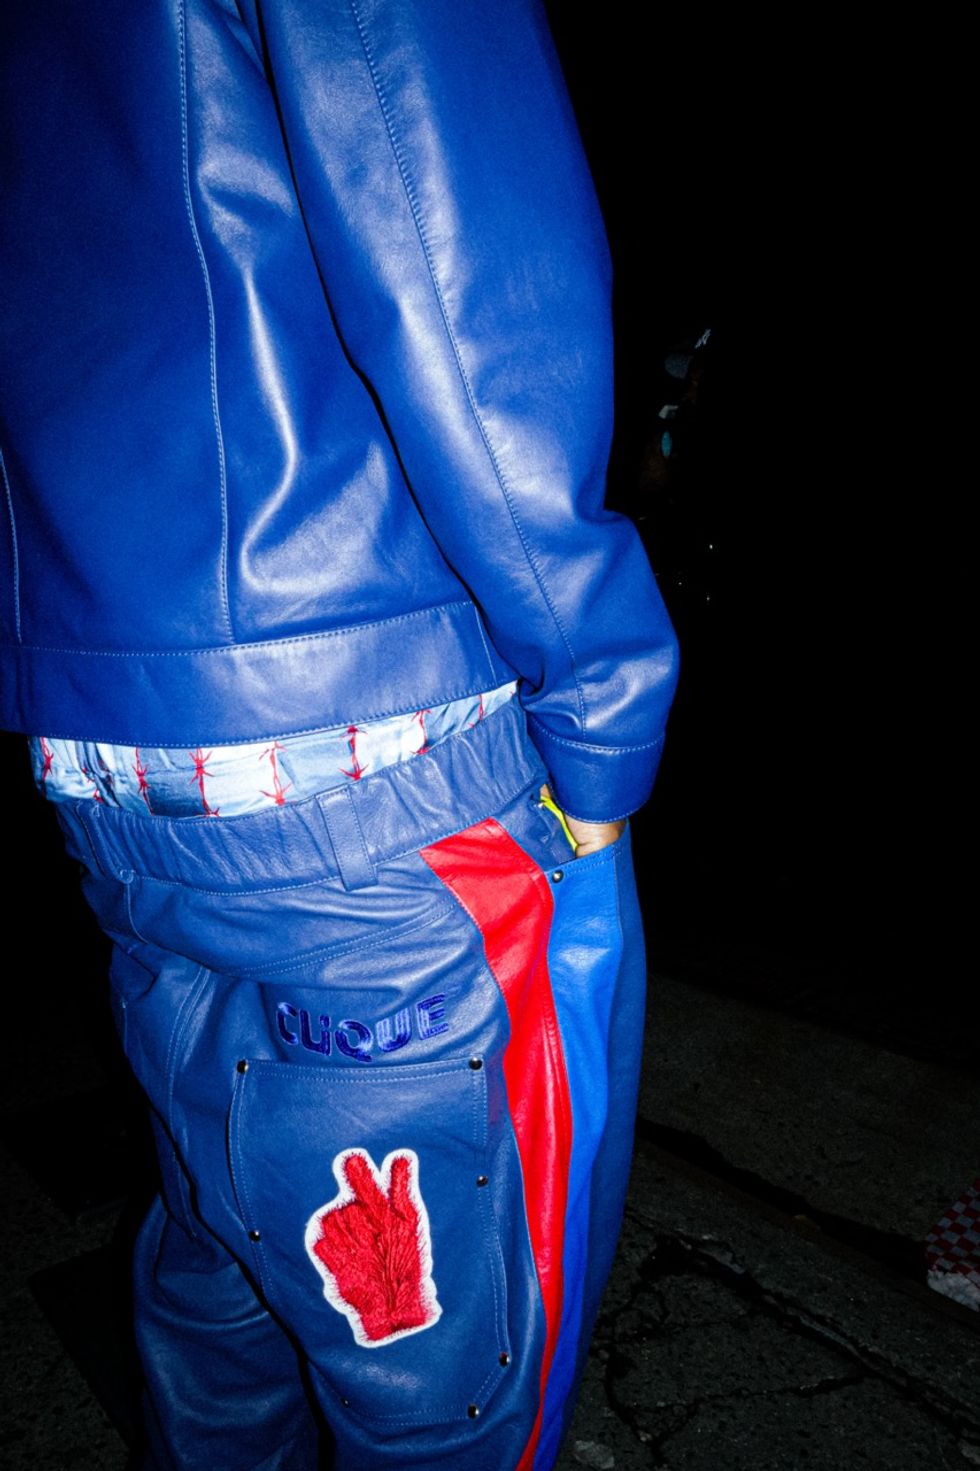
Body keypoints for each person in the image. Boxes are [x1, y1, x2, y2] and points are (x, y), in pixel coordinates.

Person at [0, 3, 679, 1468]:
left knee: (224, 1279)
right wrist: (602, 692)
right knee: (456, 1391)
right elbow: (452, 248)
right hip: (377, 741)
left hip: (107, 731)